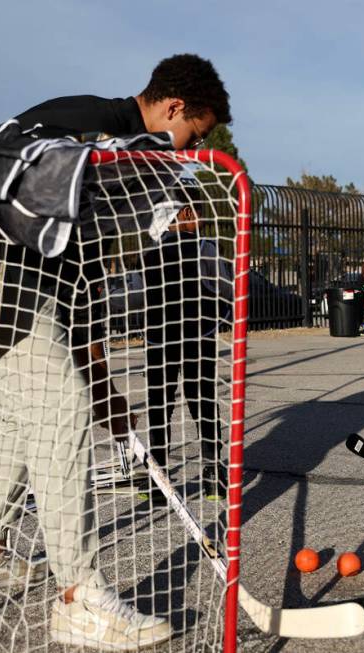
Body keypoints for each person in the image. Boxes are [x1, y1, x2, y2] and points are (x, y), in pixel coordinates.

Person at [0, 53, 231, 651]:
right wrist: (95, 386)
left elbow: (79, 281)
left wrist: (101, 376)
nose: (186, 151)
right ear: (174, 108)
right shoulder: (107, 144)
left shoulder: (94, 128)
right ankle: (78, 597)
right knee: (63, 409)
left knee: (24, 415)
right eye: (192, 136)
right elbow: (74, 272)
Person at [142, 203, 232, 501]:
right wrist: (222, 313)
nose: (199, 218)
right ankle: (212, 474)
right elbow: (223, 289)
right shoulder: (205, 247)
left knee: (159, 407)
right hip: (196, 335)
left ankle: (158, 478)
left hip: (159, 339)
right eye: (190, 213)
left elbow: (140, 297)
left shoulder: (149, 253)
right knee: (202, 400)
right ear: (174, 218)